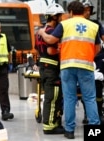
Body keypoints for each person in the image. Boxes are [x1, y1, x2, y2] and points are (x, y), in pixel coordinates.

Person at [38, 1, 100, 139]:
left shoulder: (64, 24)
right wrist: (87, 56)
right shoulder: (94, 26)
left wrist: (42, 31)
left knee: (70, 98)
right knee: (90, 98)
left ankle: (70, 131)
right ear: (83, 11)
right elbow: (97, 49)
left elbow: (49, 39)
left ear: (71, 12)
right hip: (86, 67)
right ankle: (94, 132)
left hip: (67, 67)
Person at [34, 3, 65, 134]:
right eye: (60, 16)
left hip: (44, 68)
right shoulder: (51, 32)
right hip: (52, 68)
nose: (62, 19)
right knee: (52, 97)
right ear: (54, 17)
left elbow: (38, 49)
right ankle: (49, 125)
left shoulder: (40, 32)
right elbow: (51, 50)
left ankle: (53, 122)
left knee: (51, 97)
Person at [80, 0, 104, 124]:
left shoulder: (96, 24)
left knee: (97, 84)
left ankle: (99, 113)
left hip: (96, 57)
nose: (87, 12)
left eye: (89, 10)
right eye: (85, 9)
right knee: (85, 87)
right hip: (81, 58)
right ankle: (88, 113)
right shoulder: (76, 24)